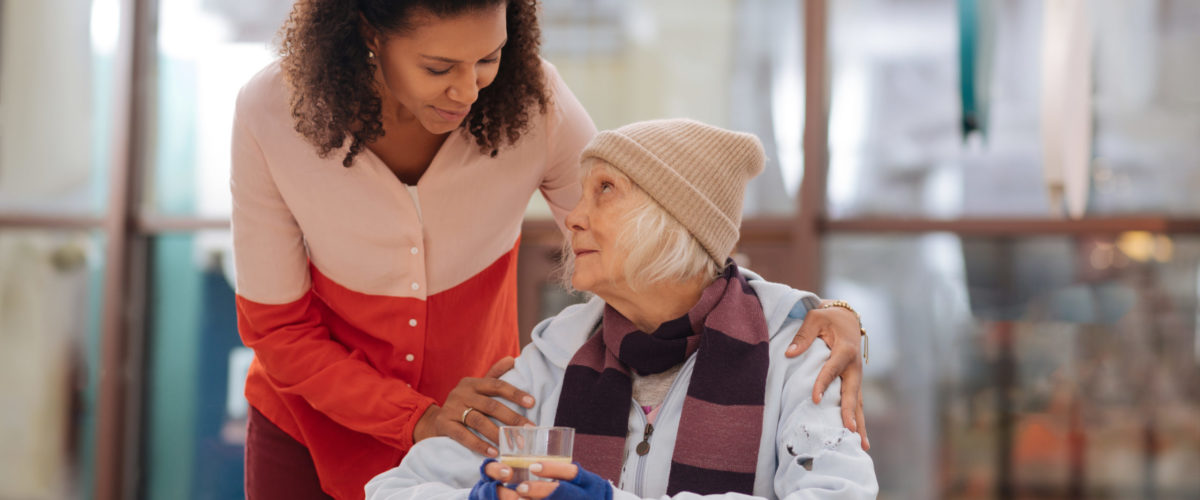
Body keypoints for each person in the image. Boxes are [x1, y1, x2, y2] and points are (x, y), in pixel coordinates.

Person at [231, 1, 869, 498]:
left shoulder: (531, 99)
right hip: (311, 424)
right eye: (437, 68)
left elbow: (661, 234)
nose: (469, 90)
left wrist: (814, 311)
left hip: (479, 413)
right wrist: (416, 419)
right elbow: (277, 327)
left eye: (490, 57)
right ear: (368, 32)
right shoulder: (270, 113)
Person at [364, 119, 879, 500]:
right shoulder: (554, 357)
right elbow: (395, 491)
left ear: (676, 219)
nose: (574, 218)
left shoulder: (795, 350)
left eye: (605, 190)